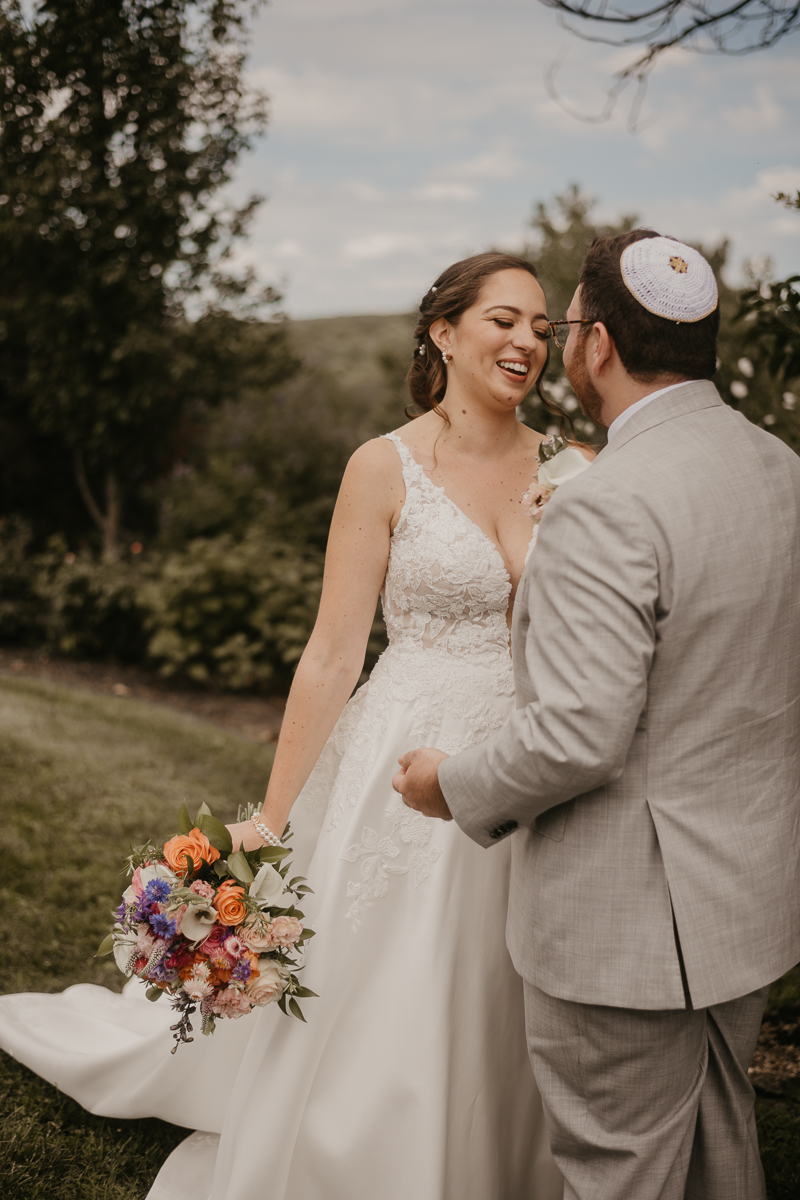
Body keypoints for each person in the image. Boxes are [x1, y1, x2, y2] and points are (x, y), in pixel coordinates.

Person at [0, 252, 567, 1200]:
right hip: (402, 752)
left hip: (525, 759)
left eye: (544, 329)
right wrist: (266, 823)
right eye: (505, 320)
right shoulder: (383, 466)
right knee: (396, 964)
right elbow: (333, 655)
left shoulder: (569, 468)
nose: (527, 343)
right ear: (443, 331)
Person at [395, 230, 800, 1200]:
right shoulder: (777, 471)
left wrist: (445, 783)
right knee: (710, 1148)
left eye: (562, 325)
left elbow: (577, 732)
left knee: (616, 1175)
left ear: (597, 348)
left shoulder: (604, 501)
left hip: (626, 927)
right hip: (745, 905)